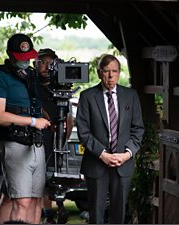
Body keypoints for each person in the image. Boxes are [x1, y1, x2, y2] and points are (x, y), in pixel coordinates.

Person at [0, 33, 51, 224]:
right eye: (21, 58)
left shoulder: (31, 75)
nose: (25, 61)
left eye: (28, 57)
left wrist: (44, 116)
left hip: (36, 143)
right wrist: (32, 121)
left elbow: (34, 104)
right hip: (14, 142)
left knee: (35, 200)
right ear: (10, 54)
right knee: (21, 201)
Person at [76, 54, 144, 223]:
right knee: (96, 215)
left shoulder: (131, 96)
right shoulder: (87, 97)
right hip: (96, 162)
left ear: (119, 73)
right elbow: (84, 133)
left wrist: (127, 154)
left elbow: (138, 129)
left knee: (119, 214)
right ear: (100, 73)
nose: (111, 75)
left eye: (114, 71)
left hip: (123, 163)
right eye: (106, 71)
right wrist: (103, 155)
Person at [35, 48, 74, 224]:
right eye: (42, 62)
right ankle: (49, 214)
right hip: (36, 136)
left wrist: (64, 137)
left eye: (50, 63)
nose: (46, 67)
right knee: (41, 178)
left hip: (56, 138)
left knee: (55, 174)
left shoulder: (60, 86)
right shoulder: (31, 85)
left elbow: (69, 117)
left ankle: (59, 206)